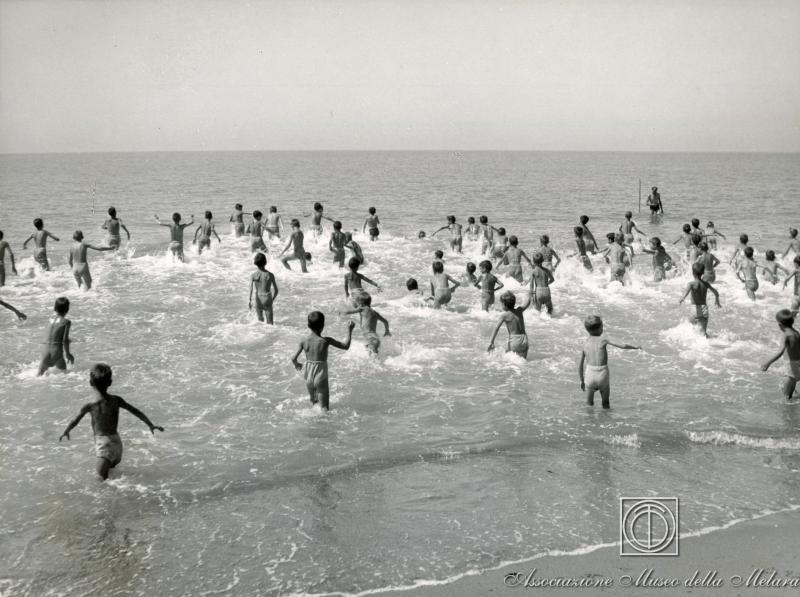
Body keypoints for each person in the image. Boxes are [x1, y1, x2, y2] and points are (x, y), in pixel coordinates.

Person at [59, 363, 164, 480]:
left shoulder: (91, 405)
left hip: (104, 444)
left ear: (90, 383)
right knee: (111, 476)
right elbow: (136, 411)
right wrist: (150, 425)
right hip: (117, 443)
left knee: (99, 478)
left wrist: (66, 431)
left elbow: (75, 420)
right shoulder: (116, 400)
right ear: (110, 383)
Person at [291, 312, 355, 410]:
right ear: (323, 326)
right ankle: (323, 424)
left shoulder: (303, 340)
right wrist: (350, 330)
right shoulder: (326, 341)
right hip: (320, 374)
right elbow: (346, 346)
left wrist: (297, 365)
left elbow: (293, 358)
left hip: (308, 374)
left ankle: (314, 424)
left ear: (308, 325)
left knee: (314, 402)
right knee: (324, 409)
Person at [578, 315, 641, 408]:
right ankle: (606, 421)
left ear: (587, 330)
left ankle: (589, 421)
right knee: (605, 403)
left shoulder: (585, 343)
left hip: (590, 374)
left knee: (589, 404)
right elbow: (623, 345)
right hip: (602, 374)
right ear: (600, 328)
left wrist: (582, 380)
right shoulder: (604, 339)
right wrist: (636, 347)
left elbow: (580, 364)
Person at [760, 309, 800, 400]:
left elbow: (780, 351)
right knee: (790, 389)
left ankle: (788, 410)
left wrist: (768, 362)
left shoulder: (786, 335)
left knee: (786, 396)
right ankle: (793, 403)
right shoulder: (796, 333)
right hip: (798, 365)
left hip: (791, 367)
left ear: (780, 325)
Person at [679, 263, 721, 337]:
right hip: (704, 309)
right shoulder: (706, 284)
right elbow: (716, 292)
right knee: (703, 333)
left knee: (691, 329)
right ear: (703, 272)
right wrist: (717, 301)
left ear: (692, 273)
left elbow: (686, 292)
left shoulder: (691, 284)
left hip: (694, 309)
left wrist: (682, 298)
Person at [487, 291, 532, 358]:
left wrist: (491, 342)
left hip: (514, 340)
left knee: (508, 358)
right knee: (523, 360)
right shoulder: (519, 310)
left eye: (501, 304)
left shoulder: (504, 315)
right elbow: (527, 303)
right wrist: (529, 295)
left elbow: (496, 328)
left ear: (504, 304)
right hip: (524, 340)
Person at [38, 297, 74, 376]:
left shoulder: (49, 320)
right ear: (67, 309)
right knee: (64, 375)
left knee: (38, 376)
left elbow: (51, 336)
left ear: (54, 308)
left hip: (45, 351)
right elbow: (65, 340)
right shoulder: (66, 322)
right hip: (57, 352)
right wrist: (68, 354)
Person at [248, 253, 279, 325]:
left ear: (256, 263)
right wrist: (272, 300)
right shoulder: (270, 275)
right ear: (265, 262)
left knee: (260, 322)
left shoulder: (253, 275)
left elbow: (251, 289)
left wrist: (249, 300)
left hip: (258, 299)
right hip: (266, 298)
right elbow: (276, 291)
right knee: (270, 324)